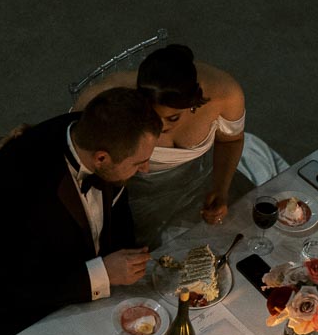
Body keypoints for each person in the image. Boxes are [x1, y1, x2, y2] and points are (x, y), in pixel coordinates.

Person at [0, 88, 161, 335]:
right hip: (6, 316)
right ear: (101, 158)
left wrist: (122, 257)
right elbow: (9, 289)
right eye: (140, 163)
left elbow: (117, 207)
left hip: (73, 282)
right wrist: (102, 273)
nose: (146, 169)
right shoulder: (19, 190)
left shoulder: (94, 131)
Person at [73, 44, 246, 248]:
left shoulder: (226, 94)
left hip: (198, 182)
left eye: (172, 118)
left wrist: (221, 189)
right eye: (153, 117)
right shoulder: (108, 97)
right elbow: (73, 144)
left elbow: (231, 140)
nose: (161, 126)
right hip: (134, 195)